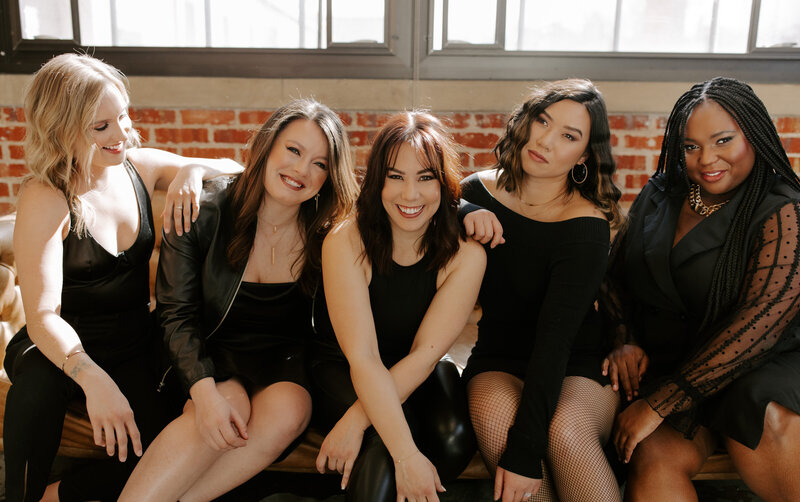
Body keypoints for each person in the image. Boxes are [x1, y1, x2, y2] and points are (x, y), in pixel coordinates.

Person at [3, 53, 244, 502]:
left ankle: (58, 496)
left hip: (135, 342)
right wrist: (94, 380)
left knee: (167, 445)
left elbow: (234, 168)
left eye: (123, 116)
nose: (122, 135)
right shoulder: (46, 194)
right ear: (61, 129)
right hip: (60, 344)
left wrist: (192, 168)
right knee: (33, 391)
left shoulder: (138, 165)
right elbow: (41, 316)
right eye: (101, 128)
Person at [117, 98, 359, 502]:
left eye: (320, 163)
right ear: (268, 146)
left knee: (291, 410)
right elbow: (176, 315)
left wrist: (471, 208)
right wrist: (203, 391)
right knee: (227, 405)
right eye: (294, 151)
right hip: (206, 351)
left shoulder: (330, 232)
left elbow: (411, 203)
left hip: (281, 359)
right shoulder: (201, 210)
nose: (302, 170)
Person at [603, 77, 800, 501]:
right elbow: (614, 274)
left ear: (755, 134)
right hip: (670, 366)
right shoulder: (661, 193)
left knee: (767, 410)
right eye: (691, 146)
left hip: (755, 368)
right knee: (651, 459)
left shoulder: (783, 211)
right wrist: (625, 339)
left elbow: (760, 325)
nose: (706, 159)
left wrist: (658, 404)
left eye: (723, 140)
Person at [460, 79, 624, 502]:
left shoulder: (585, 226)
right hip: (498, 357)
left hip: (575, 364)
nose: (546, 141)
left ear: (584, 156)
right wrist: (461, 209)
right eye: (542, 121)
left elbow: (555, 344)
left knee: (563, 432)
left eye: (568, 136)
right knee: (500, 427)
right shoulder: (476, 192)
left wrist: (526, 452)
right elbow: (421, 207)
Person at [310, 111, 485, 502]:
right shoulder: (346, 240)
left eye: (425, 178)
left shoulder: (466, 253)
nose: (410, 195)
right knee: (384, 448)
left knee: (453, 440)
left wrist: (355, 420)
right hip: (343, 365)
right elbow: (364, 358)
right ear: (377, 181)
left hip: (415, 365)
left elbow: (425, 355)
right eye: (395, 176)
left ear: (443, 184)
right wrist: (404, 454)